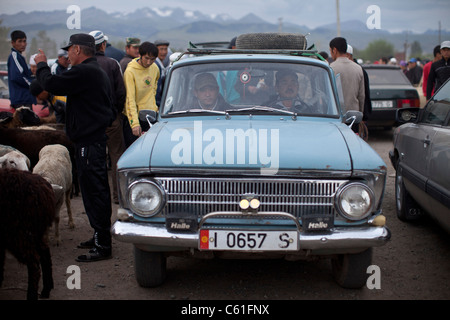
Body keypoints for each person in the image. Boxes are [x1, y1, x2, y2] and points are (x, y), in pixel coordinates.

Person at [34, 33, 115, 262]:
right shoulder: (93, 71)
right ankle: (99, 235)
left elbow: (50, 83)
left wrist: (41, 64)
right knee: (92, 190)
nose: (66, 55)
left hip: (90, 142)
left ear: (78, 50)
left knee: (95, 191)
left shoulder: (86, 71)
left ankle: (103, 244)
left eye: (69, 50)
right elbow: (110, 108)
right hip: (92, 141)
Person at [90, 30, 126, 204]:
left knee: (94, 157)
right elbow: (121, 93)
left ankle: (96, 196)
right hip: (111, 119)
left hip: (90, 121)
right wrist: (116, 113)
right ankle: (118, 196)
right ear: (103, 45)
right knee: (116, 155)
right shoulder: (112, 64)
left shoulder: (83, 65)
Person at [123, 41, 160, 147]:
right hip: (135, 118)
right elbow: (130, 98)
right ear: (140, 55)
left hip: (150, 116)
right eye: (146, 58)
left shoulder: (155, 68)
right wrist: (134, 123)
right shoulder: (130, 71)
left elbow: (153, 91)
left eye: (152, 59)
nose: (149, 62)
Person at [329, 37, 365, 119]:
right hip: (354, 117)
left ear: (334, 50)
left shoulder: (331, 68)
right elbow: (361, 96)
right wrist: (360, 114)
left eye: (330, 51)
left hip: (336, 117)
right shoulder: (358, 68)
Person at [7, 30, 36, 109]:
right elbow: (17, 76)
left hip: (25, 99)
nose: (23, 44)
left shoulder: (19, 56)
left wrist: (33, 72)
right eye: (20, 41)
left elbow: (24, 73)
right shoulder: (14, 56)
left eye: (24, 41)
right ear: (13, 43)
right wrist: (33, 85)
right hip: (21, 100)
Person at [347, 44, 371, 122]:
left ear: (348, 55)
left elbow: (364, 95)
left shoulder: (359, 70)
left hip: (356, 116)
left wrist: (364, 116)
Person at [154, 39, 170, 107]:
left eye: (165, 49)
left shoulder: (162, 63)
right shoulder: (155, 65)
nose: (164, 52)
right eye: (161, 49)